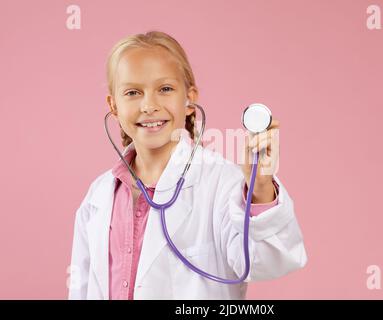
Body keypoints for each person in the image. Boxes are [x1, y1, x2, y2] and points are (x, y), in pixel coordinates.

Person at [68, 31, 307, 300]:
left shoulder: (223, 183)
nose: (149, 105)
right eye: (133, 92)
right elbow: (81, 289)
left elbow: (268, 262)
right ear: (113, 106)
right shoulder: (98, 196)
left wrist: (260, 189)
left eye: (165, 89)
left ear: (190, 99)